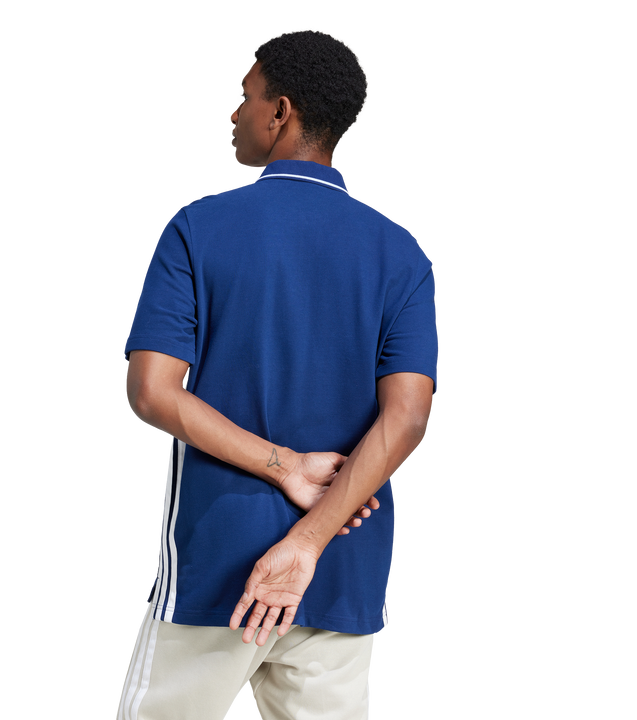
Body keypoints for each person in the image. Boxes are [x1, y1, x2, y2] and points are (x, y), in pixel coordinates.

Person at [117, 26, 439, 720]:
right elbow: (409, 416)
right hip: (340, 569)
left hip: (218, 569)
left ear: (281, 112)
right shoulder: (402, 250)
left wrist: (285, 465)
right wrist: (309, 540)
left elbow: (151, 392)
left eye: (246, 94)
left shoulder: (197, 227)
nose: (235, 111)